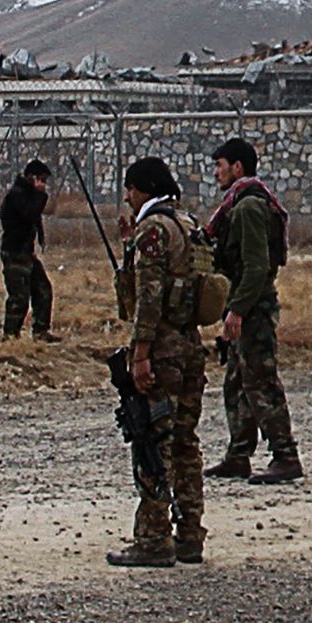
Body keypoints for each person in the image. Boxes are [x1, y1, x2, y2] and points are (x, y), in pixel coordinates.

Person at [108, 153, 208, 569]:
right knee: (185, 442)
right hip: (190, 345)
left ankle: (153, 537)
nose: (127, 198)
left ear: (143, 188)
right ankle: (189, 534)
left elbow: (148, 298)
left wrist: (141, 354)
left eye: (130, 190)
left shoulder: (154, 229)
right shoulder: (188, 224)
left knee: (153, 440)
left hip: (163, 348)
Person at [204, 136, 298, 483]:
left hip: (253, 307)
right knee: (237, 381)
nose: (216, 173)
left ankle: (285, 455)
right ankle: (238, 454)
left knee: (260, 380)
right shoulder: (240, 203)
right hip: (244, 303)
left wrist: (238, 310)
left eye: (220, 165)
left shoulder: (247, 207)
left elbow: (256, 267)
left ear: (237, 167)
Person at [0, 160, 55, 338]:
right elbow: (30, 215)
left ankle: (41, 331)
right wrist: (41, 197)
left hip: (26, 252)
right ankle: (10, 334)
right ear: (32, 178)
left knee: (43, 290)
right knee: (19, 296)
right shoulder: (17, 195)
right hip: (15, 252)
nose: (44, 185)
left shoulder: (26, 194)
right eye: (42, 180)